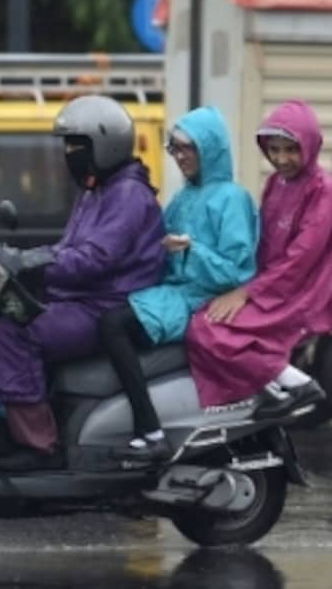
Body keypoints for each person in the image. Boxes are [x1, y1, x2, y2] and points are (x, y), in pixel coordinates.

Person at [0, 95, 166, 471]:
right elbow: (68, 248)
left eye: (76, 146)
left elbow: (95, 259)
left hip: (102, 304)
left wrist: (31, 264)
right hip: (79, 297)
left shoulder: (127, 194)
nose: (69, 154)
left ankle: (39, 446)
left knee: (15, 331)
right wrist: (20, 257)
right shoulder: (96, 189)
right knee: (2, 308)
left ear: (105, 144)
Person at [99, 106, 258, 461]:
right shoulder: (183, 197)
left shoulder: (233, 199)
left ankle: (149, 428)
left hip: (197, 301)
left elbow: (237, 273)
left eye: (189, 148)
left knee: (112, 324)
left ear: (211, 148)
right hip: (173, 293)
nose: (181, 156)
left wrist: (190, 249)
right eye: (176, 148)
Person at [185, 100, 332, 419]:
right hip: (267, 284)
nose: (281, 159)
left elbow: (300, 259)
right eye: (273, 150)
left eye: (291, 150)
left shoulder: (324, 190)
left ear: (310, 145)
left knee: (206, 329)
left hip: (295, 292)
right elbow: (263, 242)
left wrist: (246, 293)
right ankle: (273, 390)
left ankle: (297, 385)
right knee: (203, 317)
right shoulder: (276, 183)